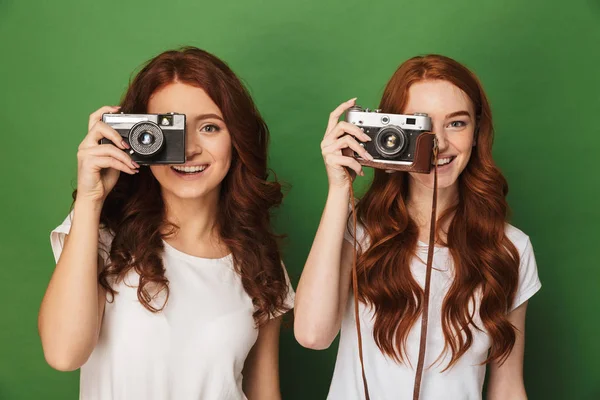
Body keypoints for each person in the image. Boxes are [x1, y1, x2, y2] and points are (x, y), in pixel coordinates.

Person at [38, 46, 294, 400]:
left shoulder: (259, 258)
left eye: (209, 126)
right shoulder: (99, 235)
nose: (188, 149)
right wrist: (90, 199)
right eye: (168, 129)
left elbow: (264, 391)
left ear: (235, 139)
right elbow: (64, 354)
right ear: (137, 137)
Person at [294, 54, 541, 400]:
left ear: (476, 133)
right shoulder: (359, 230)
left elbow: (508, 385)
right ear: (390, 132)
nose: (437, 142)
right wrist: (339, 187)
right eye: (419, 125)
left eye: (456, 123)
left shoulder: (510, 248)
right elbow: (312, 335)